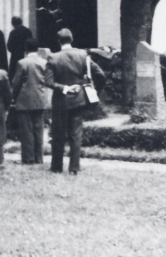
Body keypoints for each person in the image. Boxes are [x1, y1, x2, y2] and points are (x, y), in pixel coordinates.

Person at [45, 28, 105, 175]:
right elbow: (100, 74)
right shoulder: (83, 55)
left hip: (60, 101)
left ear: (58, 41)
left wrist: (65, 88)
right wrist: (96, 91)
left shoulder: (53, 58)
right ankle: (74, 167)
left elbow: (48, 82)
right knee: (76, 134)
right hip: (79, 99)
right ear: (71, 40)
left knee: (58, 135)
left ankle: (57, 167)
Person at [11, 38, 51, 165]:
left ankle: (28, 158)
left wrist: (14, 97)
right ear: (37, 49)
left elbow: (16, 83)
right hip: (40, 98)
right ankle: (38, 158)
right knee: (39, 129)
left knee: (26, 130)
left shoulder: (22, 63)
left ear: (26, 48)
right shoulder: (44, 62)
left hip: (25, 99)